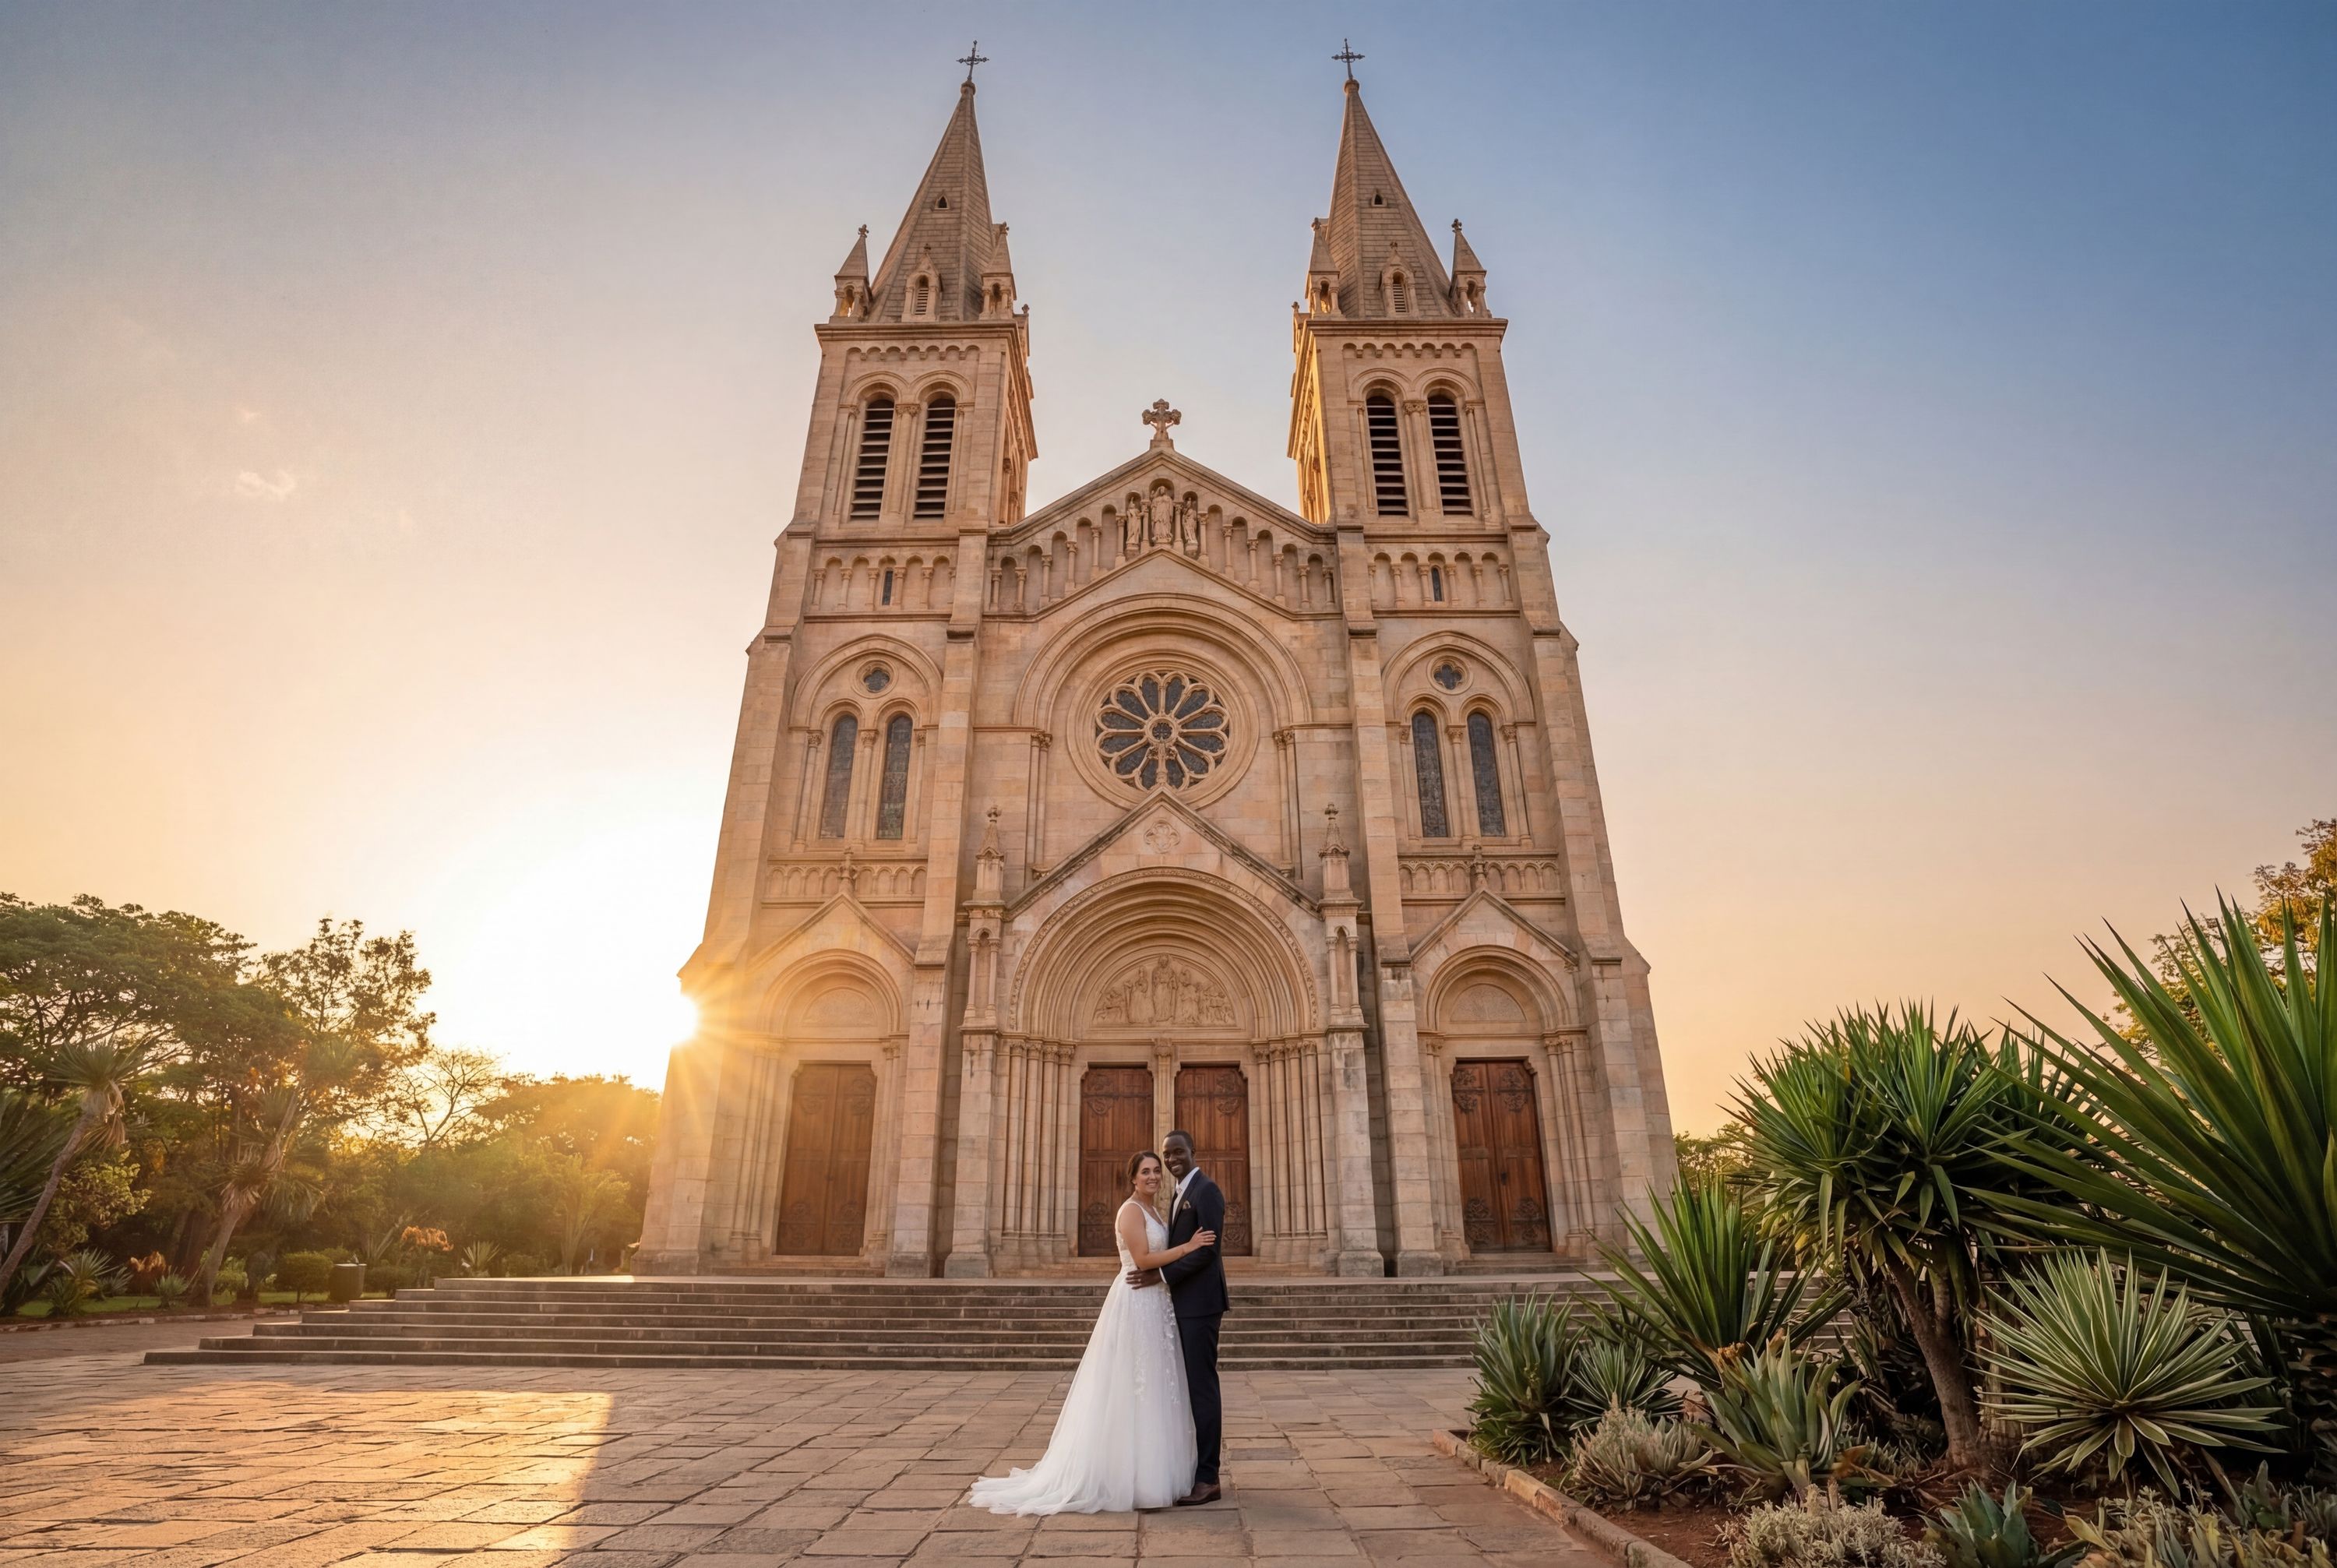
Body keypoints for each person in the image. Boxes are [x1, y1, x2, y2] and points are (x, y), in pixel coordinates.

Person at [967, 1150, 1214, 1514]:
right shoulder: (1130, 1211)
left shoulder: (1154, 1211)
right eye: (1145, 1172)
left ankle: (1154, 1473)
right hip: (1136, 1304)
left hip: (1157, 1306)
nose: (1152, 1177)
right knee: (1132, 1386)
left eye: (1156, 1172)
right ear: (1132, 1178)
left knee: (1157, 1387)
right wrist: (1188, 1247)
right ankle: (1126, 1476)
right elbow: (1143, 1260)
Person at [1129, 1129, 1228, 1506]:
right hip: (1180, 1305)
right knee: (1185, 1388)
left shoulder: (1206, 1191)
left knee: (1202, 1388)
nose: (1171, 1161)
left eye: (1176, 1153)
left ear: (1193, 1151)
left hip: (1200, 1304)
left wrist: (1162, 1276)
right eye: (1166, 1155)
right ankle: (1192, 1470)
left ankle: (1208, 1477)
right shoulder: (1177, 1194)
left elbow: (1208, 1251)